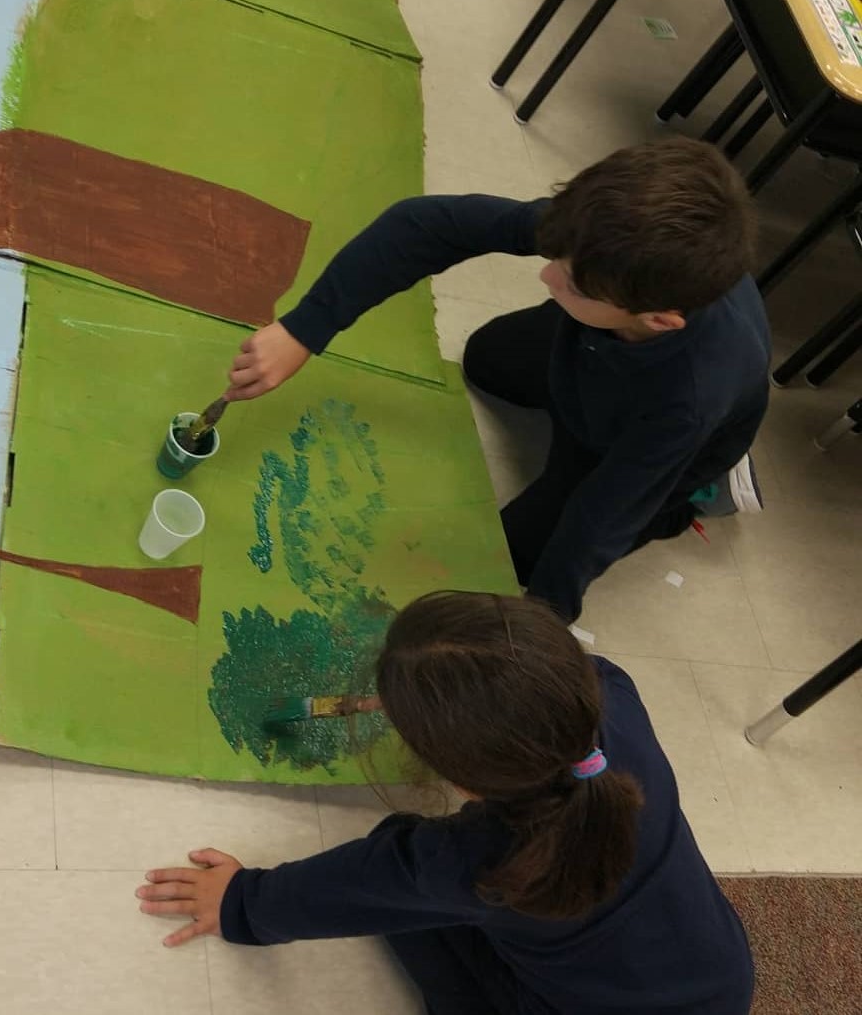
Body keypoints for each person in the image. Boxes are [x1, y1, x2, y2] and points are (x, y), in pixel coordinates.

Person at [220, 137, 771, 622]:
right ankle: (587, 353)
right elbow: (424, 225)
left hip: (639, 434)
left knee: (517, 557)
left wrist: (541, 624)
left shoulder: (689, 399)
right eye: (557, 259)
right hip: (596, 347)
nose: (546, 274)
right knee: (485, 359)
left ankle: (690, 498)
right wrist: (303, 330)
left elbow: (598, 523)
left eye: (574, 283)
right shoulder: (602, 240)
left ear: (658, 319)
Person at [136, 591, 754, 1014]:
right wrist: (447, 701)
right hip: (718, 978)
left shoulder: (469, 866)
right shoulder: (611, 694)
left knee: (396, 850)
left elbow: (351, 889)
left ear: (467, 785)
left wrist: (240, 903)